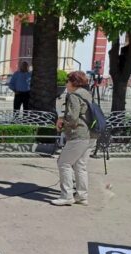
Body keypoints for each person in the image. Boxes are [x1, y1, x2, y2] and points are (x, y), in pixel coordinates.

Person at [52, 71, 96, 207]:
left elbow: (72, 117)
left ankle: (67, 196)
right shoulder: (87, 94)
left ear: (73, 83)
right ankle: (82, 196)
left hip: (79, 135)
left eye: (68, 81)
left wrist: (61, 122)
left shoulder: (74, 95)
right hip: (91, 135)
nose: (66, 83)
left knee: (63, 163)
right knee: (80, 165)